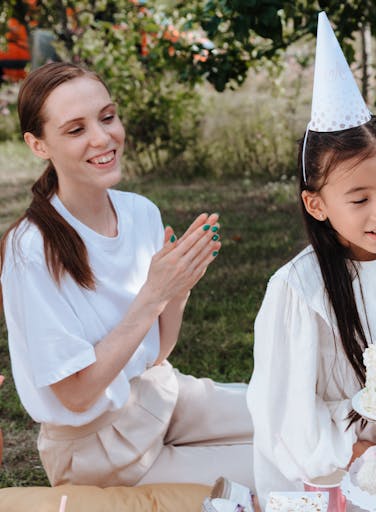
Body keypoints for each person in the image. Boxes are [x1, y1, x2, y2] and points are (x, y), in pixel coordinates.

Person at [0, 62, 253, 488]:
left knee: (295, 417)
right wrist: (153, 295)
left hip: (158, 397)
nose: (103, 138)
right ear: (38, 144)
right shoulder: (32, 251)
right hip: (97, 450)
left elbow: (155, 354)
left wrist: (178, 292)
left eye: (107, 117)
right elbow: (77, 395)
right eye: (76, 129)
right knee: (284, 470)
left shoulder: (139, 212)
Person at [246, 12, 376, 506]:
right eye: (359, 200)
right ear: (316, 204)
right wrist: (359, 454)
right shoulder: (298, 289)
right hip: (341, 469)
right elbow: (285, 413)